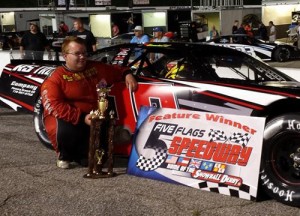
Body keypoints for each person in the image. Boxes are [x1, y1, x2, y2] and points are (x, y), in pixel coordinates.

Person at [41, 36, 137, 169]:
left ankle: (108, 139)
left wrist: (127, 74)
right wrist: (81, 117)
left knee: (94, 161)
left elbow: (116, 70)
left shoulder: (96, 68)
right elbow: (53, 106)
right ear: (65, 56)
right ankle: (64, 155)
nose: (82, 57)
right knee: (65, 130)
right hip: (68, 120)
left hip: (94, 117)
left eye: (84, 53)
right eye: (77, 54)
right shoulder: (54, 79)